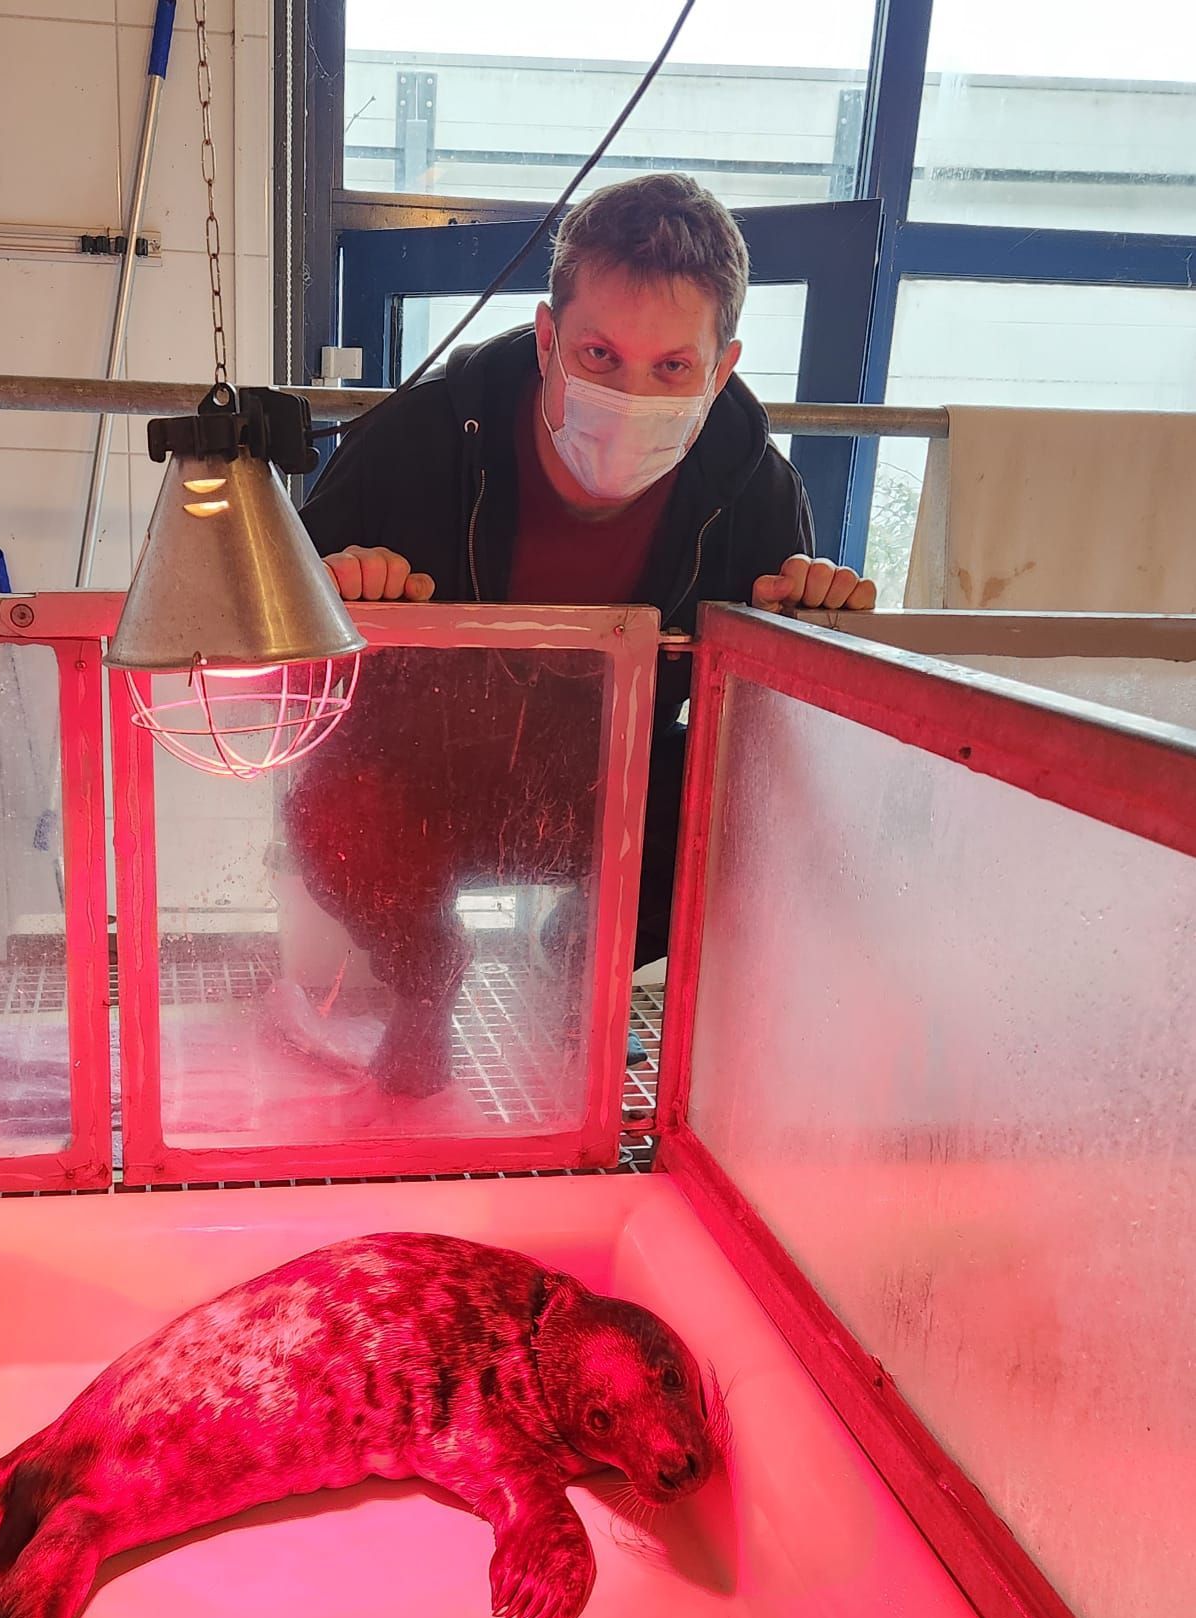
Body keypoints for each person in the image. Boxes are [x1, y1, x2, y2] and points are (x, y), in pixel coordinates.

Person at [286, 173, 876, 1097]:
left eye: (672, 368)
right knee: (329, 809)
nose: (631, 394)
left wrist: (798, 628)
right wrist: (340, 588)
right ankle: (426, 982)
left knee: (748, 827)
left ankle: (581, 973)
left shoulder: (756, 491)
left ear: (721, 368)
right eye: (600, 354)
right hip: (426, 783)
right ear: (547, 337)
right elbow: (285, 654)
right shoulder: (410, 444)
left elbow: (770, 753)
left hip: (613, 790)